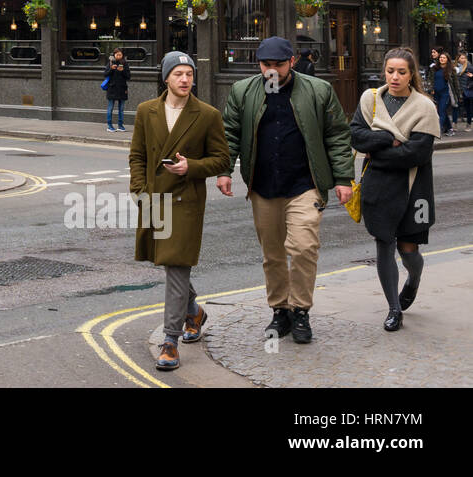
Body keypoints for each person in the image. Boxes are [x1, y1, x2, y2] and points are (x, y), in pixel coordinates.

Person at [220, 36, 353, 345]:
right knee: (273, 254)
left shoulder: (319, 91)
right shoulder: (242, 91)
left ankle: (301, 310)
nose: (272, 71)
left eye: (278, 65)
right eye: (266, 65)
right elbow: (229, 133)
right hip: (263, 186)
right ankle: (280, 310)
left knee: (305, 247)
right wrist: (223, 171)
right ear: (259, 63)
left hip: (305, 184)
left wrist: (344, 178)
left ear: (292, 62)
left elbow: (337, 135)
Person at [128, 51, 230, 372]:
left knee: (175, 264)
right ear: (166, 78)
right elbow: (137, 155)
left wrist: (192, 167)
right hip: (155, 199)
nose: (185, 79)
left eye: (189, 74)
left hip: (186, 202)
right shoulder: (147, 111)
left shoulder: (208, 114)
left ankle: (170, 340)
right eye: (178, 74)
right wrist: (139, 191)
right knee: (169, 265)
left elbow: (222, 159)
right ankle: (195, 314)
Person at [348, 48, 440, 332]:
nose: (395, 77)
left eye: (402, 72)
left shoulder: (424, 107)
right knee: (384, 244)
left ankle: (413, 279)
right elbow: (356, 136)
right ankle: (393, 309)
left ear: (412, 74)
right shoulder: (370, 99)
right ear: (384, 72)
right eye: (390, 71)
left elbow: (418, 154)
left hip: (414, 187)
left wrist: (378, 151)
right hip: (379, 187)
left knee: (408, 249)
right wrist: (389, 139)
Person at [103, 48, 131, 132]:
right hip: (112, 88)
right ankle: (109, 125)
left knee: (121, 108)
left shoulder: (125, 64)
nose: (119, 56)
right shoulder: (110, 62)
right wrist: (111, 69)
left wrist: (122, 71)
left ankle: (120, 125)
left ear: (122, 55)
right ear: (114, 55)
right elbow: (105, 74)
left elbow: (128, 76)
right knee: (110, 107)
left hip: (122, 88)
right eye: (117, 54)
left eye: (120, 54)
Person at [430, 51, 456, 136]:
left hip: (445, 94)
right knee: (441, 112)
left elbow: (455, 83)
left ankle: (438, 130)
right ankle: (450, 129)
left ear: (447, 59)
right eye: (441, 57)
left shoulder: (451, 70)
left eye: (444, 58)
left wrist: (458, 95)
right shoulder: (434, 68)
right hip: (435, 93)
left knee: (441, 111)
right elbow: (430, 80)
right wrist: (431, 89)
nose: (442, 59)